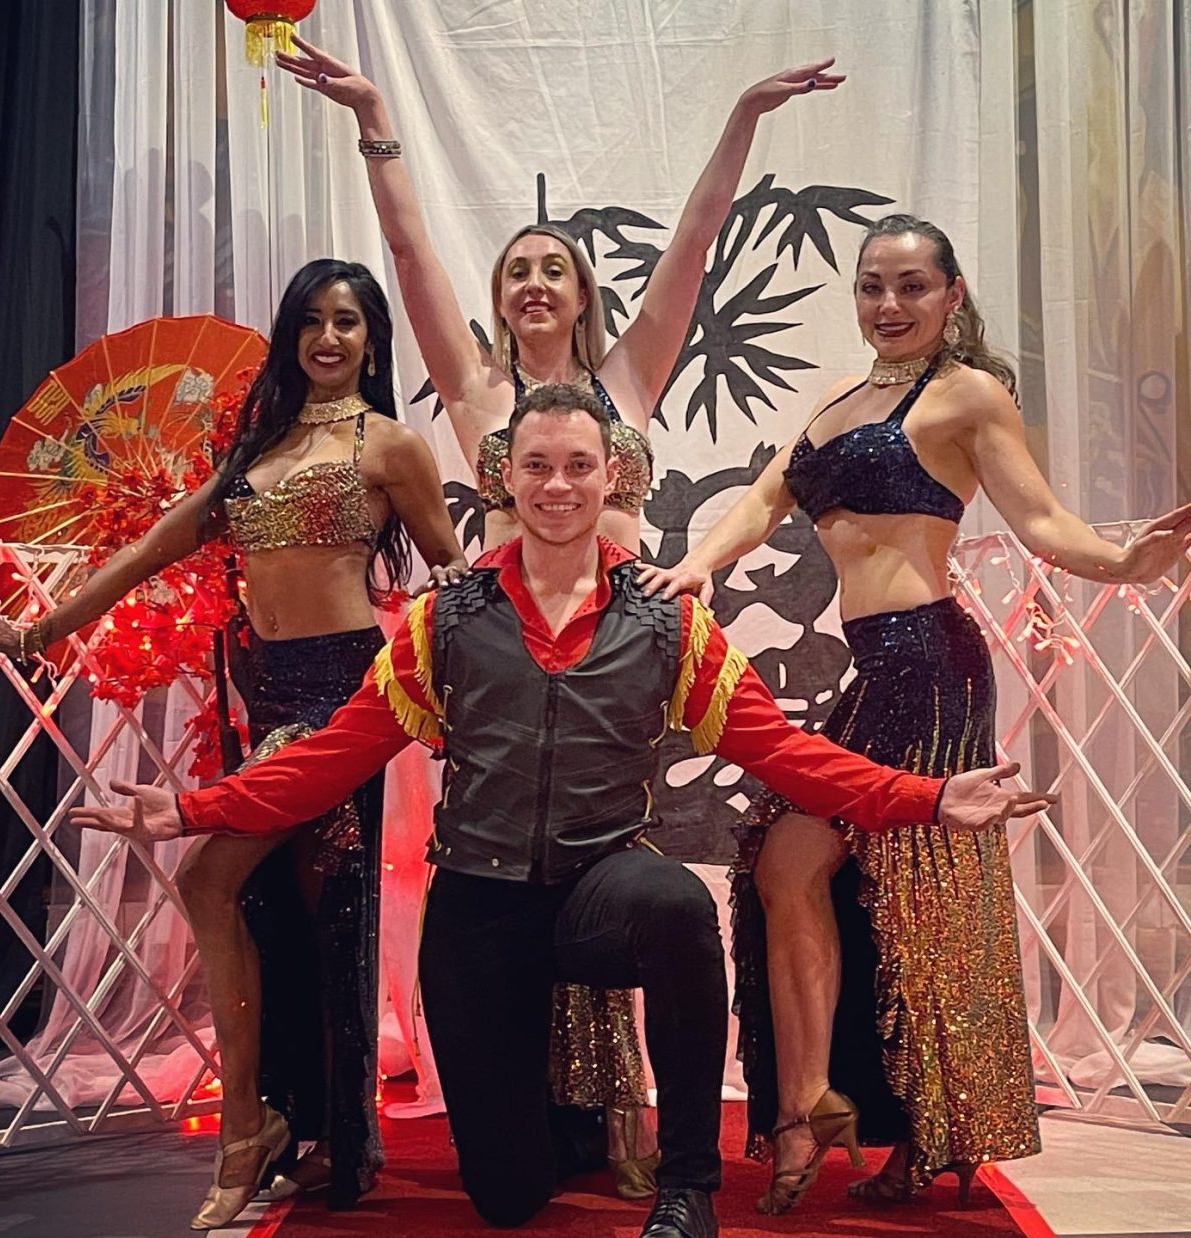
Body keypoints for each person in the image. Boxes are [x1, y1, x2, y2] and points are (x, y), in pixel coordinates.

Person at [70, 384, 1053, 1238]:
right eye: (536, 465)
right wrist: (192, 809)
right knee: (506, 1197)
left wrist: (930, 795)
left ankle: (687, 1187)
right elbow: (329, 759)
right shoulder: (444, 618)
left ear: (608, 476)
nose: (557, 485)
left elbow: (788, 754)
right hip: (479, 901)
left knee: (675, 906)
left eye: (578, 466)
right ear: (504, 479)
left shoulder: (665, 617)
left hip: (598, 888)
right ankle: (551, 1134)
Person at [276, 35, 846, 1190]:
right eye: (515, 271)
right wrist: (374, 117)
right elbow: (408, 248)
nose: (533, 282)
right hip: (504, 659)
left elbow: (694, 239)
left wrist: (742, 115)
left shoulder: (627, 378)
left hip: (623, 649)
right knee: (517, 885)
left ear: (583, 291)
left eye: (553, 269)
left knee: (619, 872)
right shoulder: (476, 387)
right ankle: (545, 1117)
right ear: (497, 299)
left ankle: (627, 1119)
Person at [638, 214, 1191, 1211]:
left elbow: (1040, 517)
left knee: (914, 899)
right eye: (871, 287)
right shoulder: (838, 402)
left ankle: (917, 1129)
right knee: (796, 872)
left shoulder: (967, 394)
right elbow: (762, 498)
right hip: (874, 670)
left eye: (910, 286)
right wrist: (694, 565)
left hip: (932, 665)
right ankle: (816, 1106)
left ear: (950, 294)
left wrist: (1121, 563)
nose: (888, 305)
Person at [0, 258, 467, 1227]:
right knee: (293, 913)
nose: (327, 338)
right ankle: (321, 1131)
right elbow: (150, 547)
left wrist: (451, 694)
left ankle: (248, 1127)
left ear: (372, 340)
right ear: (290, 333)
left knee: (214, 881)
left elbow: (451, 576)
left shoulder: (391, 445)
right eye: (311, 319)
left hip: (340, 701)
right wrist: (37, 632)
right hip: (264, 696)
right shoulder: (257, 448)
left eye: (347, 321)